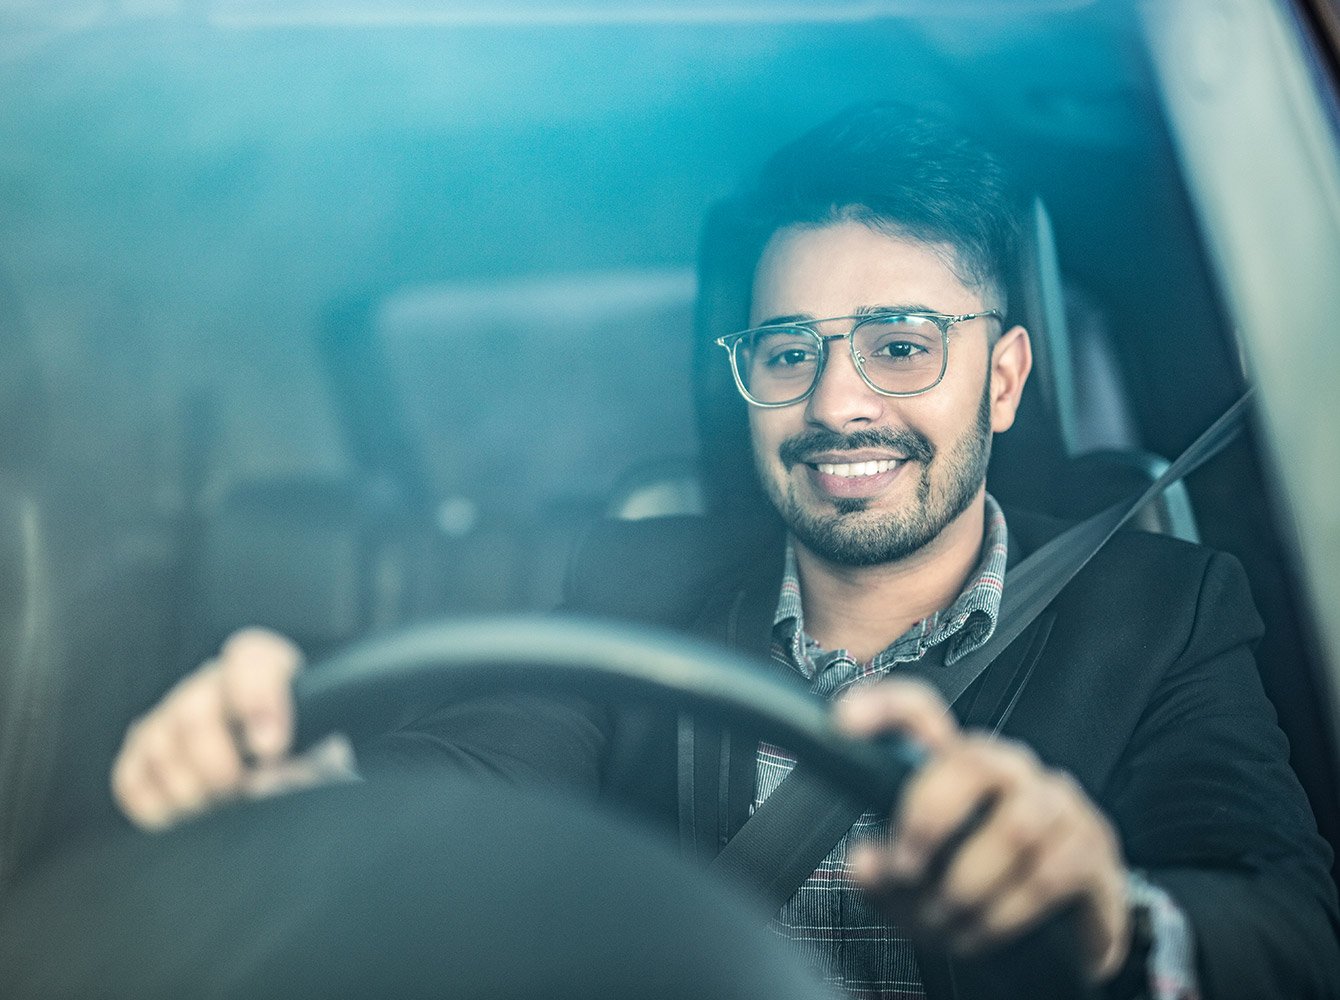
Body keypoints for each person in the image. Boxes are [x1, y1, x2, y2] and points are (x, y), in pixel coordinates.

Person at [110, 105, 1339, 1000]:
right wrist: (306, 796)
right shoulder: (634, 582)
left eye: (901, 345)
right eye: (788, 350)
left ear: (1002, 377)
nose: (836, 404)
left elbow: (1288, 919)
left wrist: (1106, 920)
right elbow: (472, 772)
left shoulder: (1163, 606)